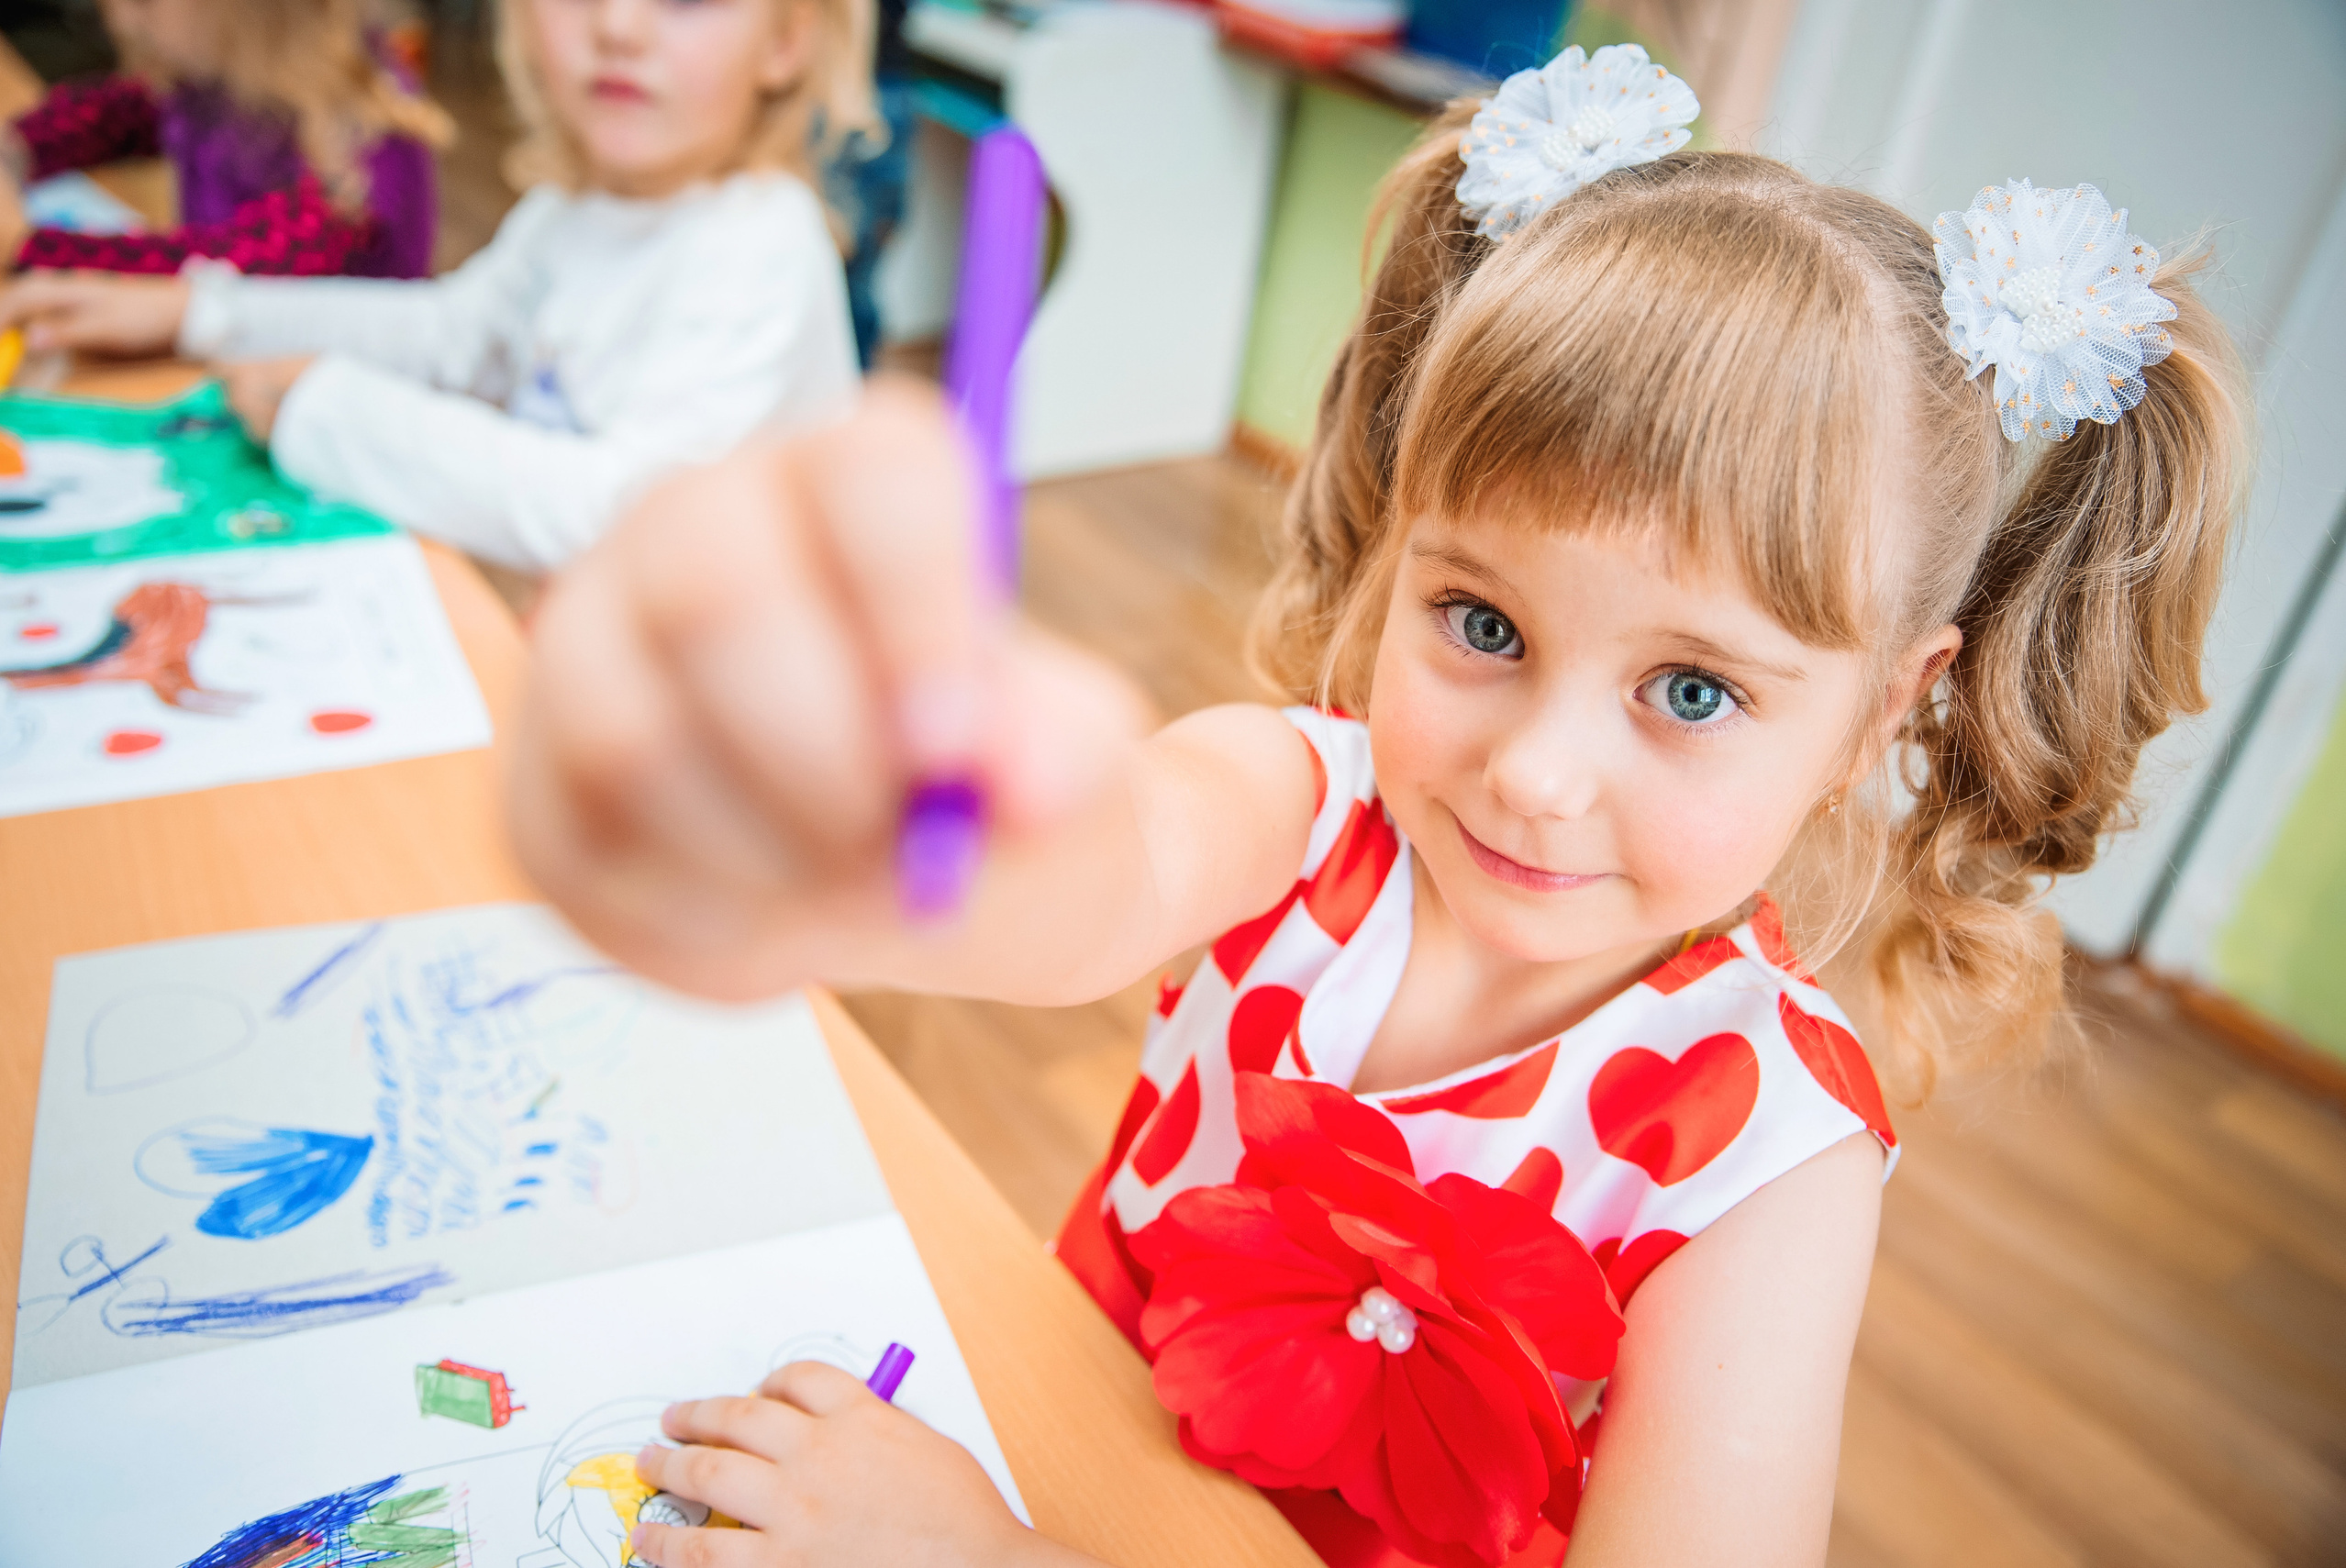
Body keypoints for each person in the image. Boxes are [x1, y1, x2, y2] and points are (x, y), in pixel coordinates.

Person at [506, 44, 2247, 1568]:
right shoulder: (1311, 799)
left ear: (1885, 706)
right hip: (1026, 1426)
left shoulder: (1766, 1167)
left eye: (1691, 689)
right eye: (1479, 622)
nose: (1535, 770)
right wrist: (850, 819)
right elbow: (1086, 872)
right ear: (1397, 550)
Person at [0, 0, 872, 574]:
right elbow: (451, 332)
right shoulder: (576, 209)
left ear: (787, 42)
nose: (617, 25)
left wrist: (326, 410)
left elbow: (622, 516)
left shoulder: (759, 244)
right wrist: (202, 310)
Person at [0, 0, 448, 279]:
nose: (117, 17)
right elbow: (117, 115)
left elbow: (220, 271)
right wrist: (15, 148)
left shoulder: (364, 144)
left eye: (143, 1)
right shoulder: (216, 80)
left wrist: (27, 247)